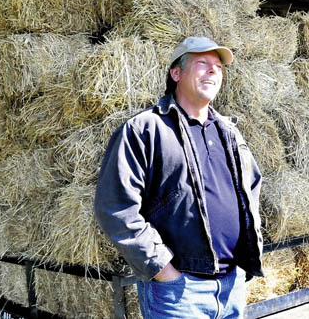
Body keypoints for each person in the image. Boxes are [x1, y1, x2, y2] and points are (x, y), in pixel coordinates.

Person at [95, 36, 263, 319]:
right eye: (202, 63)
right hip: (180, 292)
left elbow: (252, 188)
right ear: (176, 73)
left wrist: (246, 255)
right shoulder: (145, 129)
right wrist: (164, 270)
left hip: (231, 285)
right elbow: (115, 207)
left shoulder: (229, 132)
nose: (213, 71)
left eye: (218, 67)